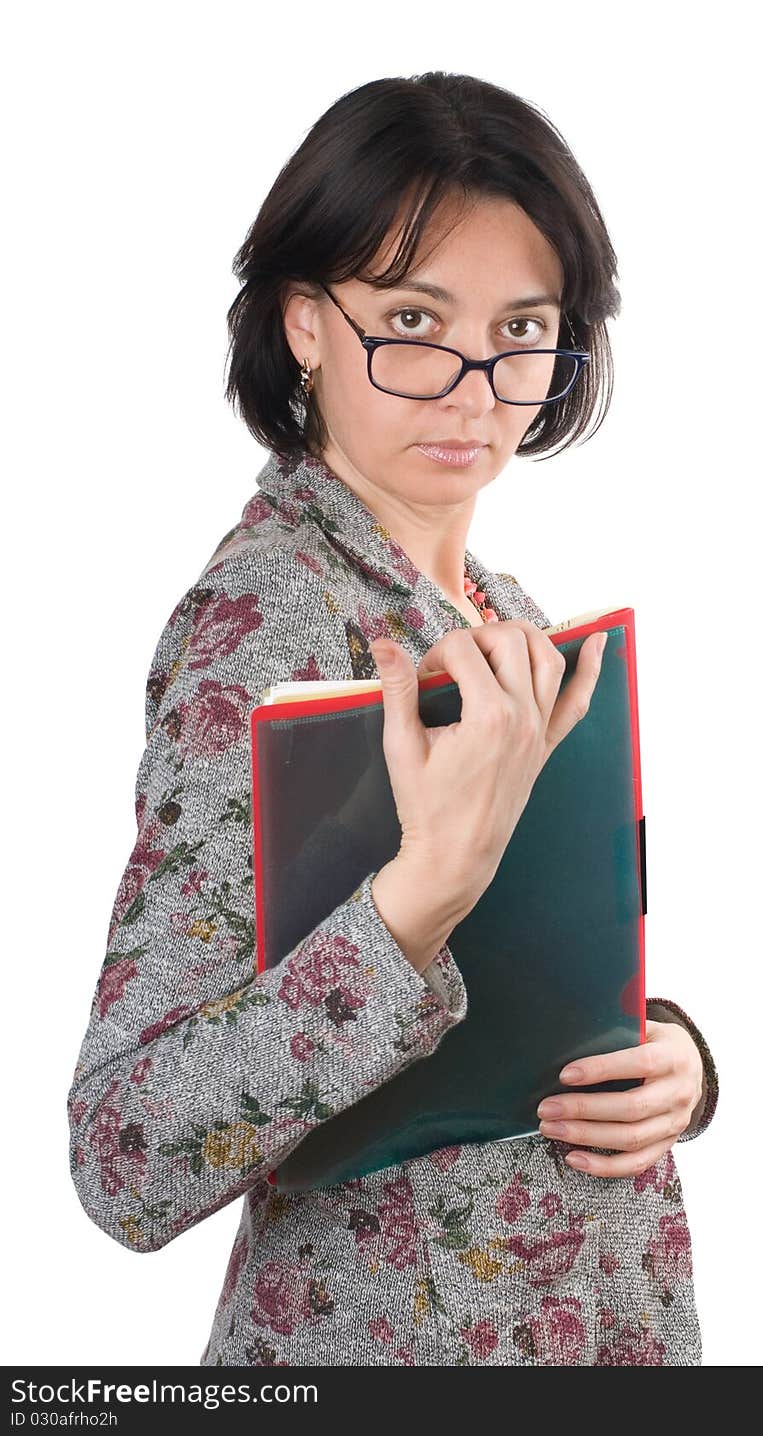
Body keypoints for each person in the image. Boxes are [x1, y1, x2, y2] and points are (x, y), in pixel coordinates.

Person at [66, 71, 719, 1367]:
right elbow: (123, 1150)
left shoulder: (511, 616)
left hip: (588, 1317)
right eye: (414, 320)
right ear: (307, 323)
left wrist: (671, 1063)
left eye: (523, 327)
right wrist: (416, 901)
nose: (476, 387)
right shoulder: (261, 636)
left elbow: (549, 976)